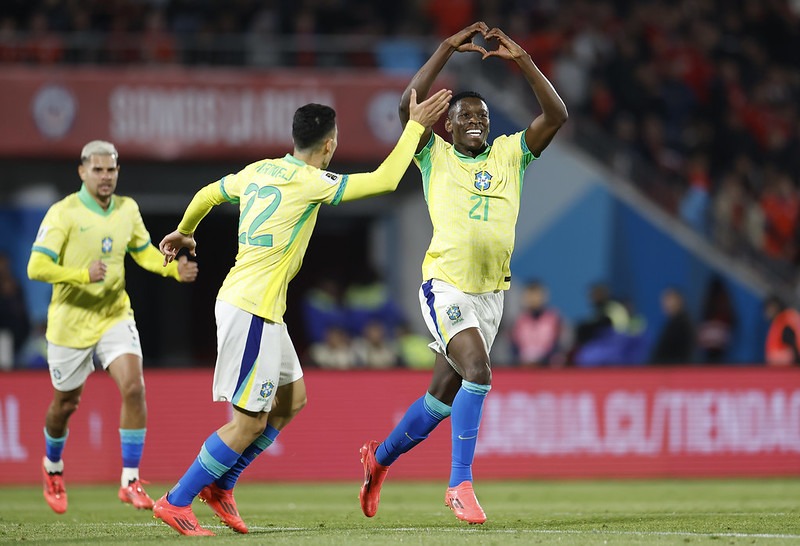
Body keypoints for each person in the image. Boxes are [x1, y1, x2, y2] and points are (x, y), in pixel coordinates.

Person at [152, 89, 452, 536]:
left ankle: (224, 484)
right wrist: (415, 126)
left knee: (292, 400)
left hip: (262, 309)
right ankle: (176, 500)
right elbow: (387, 179)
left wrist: (184, 231)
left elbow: (207, 193)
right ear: (329, 145)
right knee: (248, 421)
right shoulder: (311, 181)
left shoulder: (258, 171)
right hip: (249, 307)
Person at [359, 21, 568, 525]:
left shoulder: (510, 154)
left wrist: (523, 61)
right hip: (445, 285)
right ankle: (459, 485)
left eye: (482, 115)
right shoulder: (433, 156)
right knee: (478, 371)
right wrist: (445, 48)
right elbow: (406, 104)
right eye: (465, 115)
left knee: (442, 397)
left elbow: (557, 114)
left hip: (491, 295)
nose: (476, 120)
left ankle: (378, 460)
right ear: (447, 125)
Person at [27, 140, 199, 515]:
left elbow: (144, 253)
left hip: (114, 315)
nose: (106, 177)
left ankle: (130, 480)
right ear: (82, 171)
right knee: (65, 405)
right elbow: (36, 267)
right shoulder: (64, 213)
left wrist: (173, 268)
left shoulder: (127, 209)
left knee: (134, 387)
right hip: (70, 323)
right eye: (98, 170)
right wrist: (80, 274)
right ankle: (53, 467)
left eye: (111, 170)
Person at [509, 280, 566, 367]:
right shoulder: (518, 320)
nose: (533, 299)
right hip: (522, 366)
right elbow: (514, 346)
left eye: (536, 295)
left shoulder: (554, 318)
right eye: (530, 295)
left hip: (547, 365)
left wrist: (546, 360)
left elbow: (559, 344)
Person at [649, 287, 696, 365]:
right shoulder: (672, 323)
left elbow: (682, 354)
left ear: (679, 301)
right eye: (664, 300)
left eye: (670, 300)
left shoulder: (683, 324)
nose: (666, 304)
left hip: (676, 372)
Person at [763, 294, 800, 366]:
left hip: (790, 369)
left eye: (769, 308)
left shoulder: (785, 322)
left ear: (776, 307)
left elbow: (793, 349)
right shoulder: (780, 321)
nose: (767, 312)